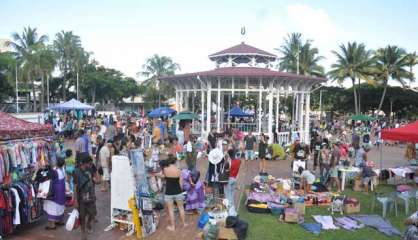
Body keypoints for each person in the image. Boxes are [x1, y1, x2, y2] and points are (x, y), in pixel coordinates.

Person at [159, 156, 187, 231]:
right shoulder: (179, 170)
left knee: (171, 210)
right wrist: (180, 190)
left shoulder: (165, 169)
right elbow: (181, 183)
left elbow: (162, 177)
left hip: (169, 192)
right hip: (178, 191)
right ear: (175, 162)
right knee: (181, 208)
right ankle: (183, 223)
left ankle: (173, 226)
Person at [73, 154, 97, 240]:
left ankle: (88, 223)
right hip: (81, 197)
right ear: (84, 163)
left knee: (92, 213)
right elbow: (75, 186)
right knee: (82, 215)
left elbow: (96, 180)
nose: (90, 165)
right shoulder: (76, 171)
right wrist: (75, 200)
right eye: (89, 163)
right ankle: (83, 232)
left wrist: (95, 178)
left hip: (91, 195)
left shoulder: (90, 169)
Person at [43, 157, 66, 230]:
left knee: (51, 207)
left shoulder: (54, 171)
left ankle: (52, 225)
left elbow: (48, 179)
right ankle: (60, 220)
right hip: (61, 192)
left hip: (54, 193)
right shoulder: (62, 170)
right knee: (60, 207)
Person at [224, 149, 241, 214]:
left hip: (229, 179)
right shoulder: (239, 161)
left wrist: (226, 159)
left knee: (228, 196)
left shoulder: (229, 162)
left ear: (229, 155)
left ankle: (231, 211)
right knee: (232, 195)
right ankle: (233, 210)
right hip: (235, 178)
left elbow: (226, 169)